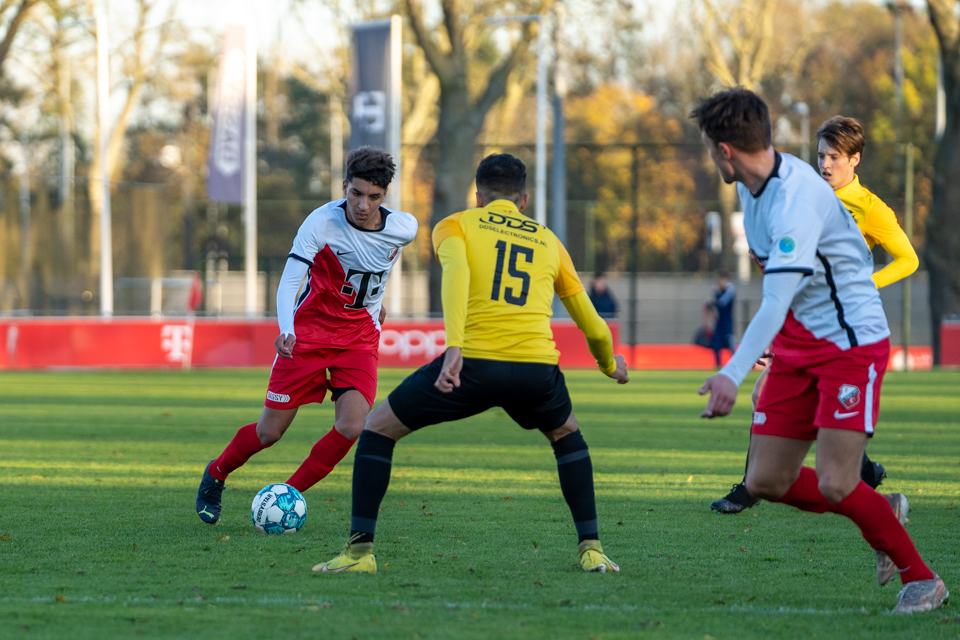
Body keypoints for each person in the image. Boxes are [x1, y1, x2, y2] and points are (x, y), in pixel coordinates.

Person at [311, 153, 630, 575]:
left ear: (478, 195)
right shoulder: (549, 240)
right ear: (524, 199)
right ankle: (592, 550)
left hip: (472, 365)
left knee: (376, 428)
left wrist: (455, 346)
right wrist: (609, 364)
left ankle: (358, 554)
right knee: (568, 437)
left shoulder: (456, 224)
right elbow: (593, 323)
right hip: (536, 370)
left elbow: (457, 273)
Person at [694, 89, 947, 613]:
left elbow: (776, 296)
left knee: (836, 482)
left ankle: (922, 579)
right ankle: (881, 509)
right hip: (797, 342)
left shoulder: (795, 201)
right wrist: (773, 345)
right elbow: (784, 296)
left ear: (724, 151)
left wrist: (732, 372)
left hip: (849, 344)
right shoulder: (752, 186)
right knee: (765, 480)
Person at [195, 147, 418, 524]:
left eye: (374, 197)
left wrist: (377, 301)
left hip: (358, 339)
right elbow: (291, 280)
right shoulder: (321, 223)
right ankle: (215, 474)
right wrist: (286, 327)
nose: (363, 205)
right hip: (308, 336)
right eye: (356, 194)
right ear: (345, 186)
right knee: (269, 433)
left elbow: (376, 269)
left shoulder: (404, 228)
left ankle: (285, 495)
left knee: (352, 426)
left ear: (385, 196)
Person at [711, 116, 918, 514]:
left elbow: (908, 259)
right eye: (820, 155)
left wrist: (866, 284)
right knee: (764, 396)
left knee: (764, 396)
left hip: (841, 330)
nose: (824, 164)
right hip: (802, 320)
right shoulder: (802, 194)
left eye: (834, 157)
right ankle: (861, 475)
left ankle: (754, 487)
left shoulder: (871, 209)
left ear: (855, 160)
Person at [708, 270, 736, 367]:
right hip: (719, 323)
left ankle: (738, 364)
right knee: (716, 344)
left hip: (728, 323)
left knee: (731, 346)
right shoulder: (718, 290)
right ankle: (718, 365)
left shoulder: (730, 289)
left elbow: (722, 303)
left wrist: (712, 301)